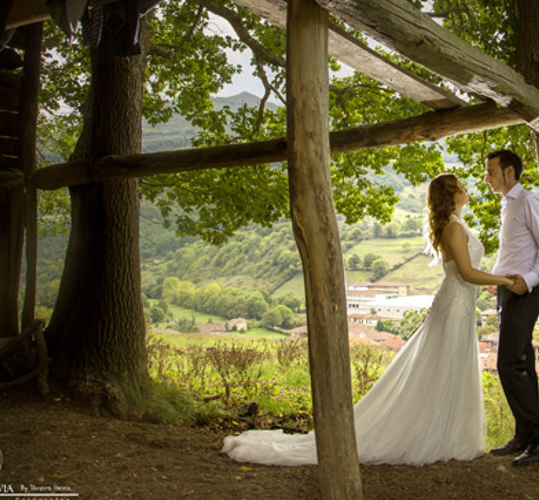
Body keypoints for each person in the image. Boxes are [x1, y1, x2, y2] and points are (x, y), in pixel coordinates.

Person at [221, 173, 522, 466]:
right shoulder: (454, 228)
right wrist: (505, 281)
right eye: (460, 186)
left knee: (447, 367)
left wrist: (488, 279)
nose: (466, 189)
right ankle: (439, 436)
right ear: (450, 196)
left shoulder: (455, 224)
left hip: (459, 301)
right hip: (456, 304)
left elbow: (465, 272)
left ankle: (447, 433)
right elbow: (467, 273)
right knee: (447, 366)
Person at [484, 148, 539, 466]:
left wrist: (525, 280)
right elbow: (516, 249)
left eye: (491, 172)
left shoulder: (529, 201)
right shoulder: (507, 204)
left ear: (510, 172)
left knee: (508, 366)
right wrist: (499, 279)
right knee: (524, 367)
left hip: (525, 294)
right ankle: (524, 436)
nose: (486, 178)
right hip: (508, 293)